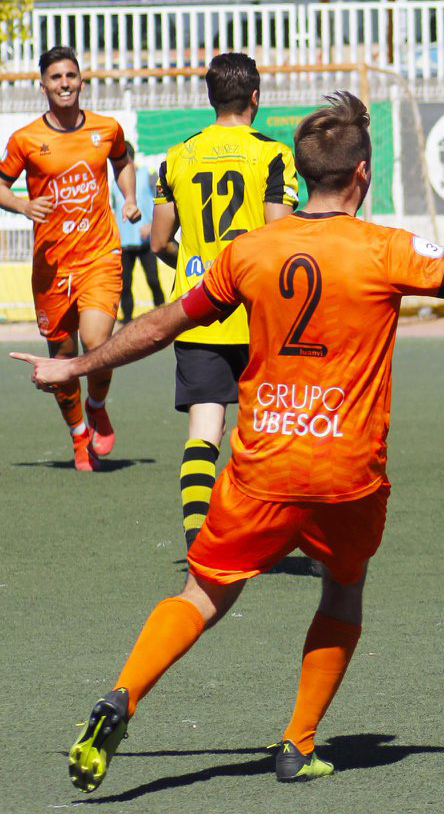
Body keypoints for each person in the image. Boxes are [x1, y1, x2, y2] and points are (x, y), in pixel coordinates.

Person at [12, 92, 444, 793]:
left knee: (203, 592)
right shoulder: (386, 250)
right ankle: (296, 744)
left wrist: (77, 365)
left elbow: (165, 322)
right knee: (343, 587)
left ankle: (121, 697)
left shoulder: (249, 252)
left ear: (298, 179)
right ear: (361, 176)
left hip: (264, 467)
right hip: (347, 473)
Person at [149, 53, 298, 549]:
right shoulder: (273, 155)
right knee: (273, 432)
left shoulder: (176, 157)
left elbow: (158, 242)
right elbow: (279, 235)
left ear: (209, 98)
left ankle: (198, 539)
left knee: (204, 429)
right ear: (256, 97)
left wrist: (197, 262)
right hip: (259, 313)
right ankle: (282, 537)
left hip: (198, 310)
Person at [0, 45, 137, 471]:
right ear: (43, 86)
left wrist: (127, 197)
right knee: (61, 358)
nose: (64, 83)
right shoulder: (26, 139)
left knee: (97, 342)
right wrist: (22, 206)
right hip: (51, 266)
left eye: (70, 75)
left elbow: (124, 161)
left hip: (99, 256)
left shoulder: (107, 129)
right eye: (55, 78)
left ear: (81, 81)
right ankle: (77, 435)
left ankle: (98, 404)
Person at [114, 163, 164, 321]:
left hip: (145, 240)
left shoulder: (147, 173)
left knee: (153, 280)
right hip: (124, 242)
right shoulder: (114, 180)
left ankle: (163, 315)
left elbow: (162, 201)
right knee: (125, 284)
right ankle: (127, 320)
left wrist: (152, 225)